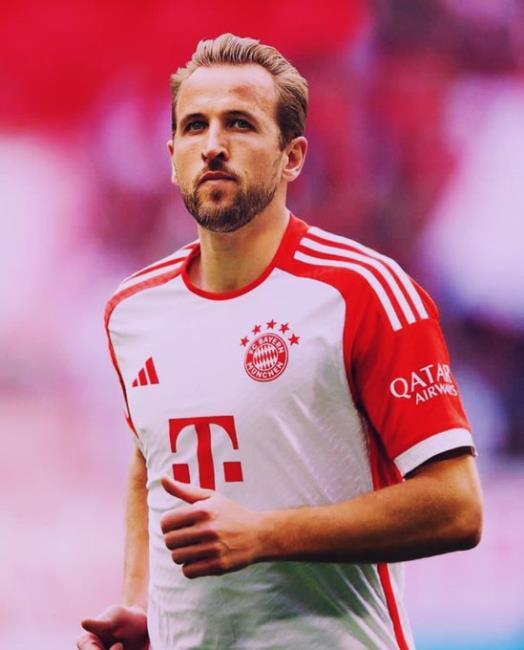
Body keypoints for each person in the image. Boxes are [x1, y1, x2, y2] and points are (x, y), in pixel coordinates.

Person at [78, 33, 483, 650]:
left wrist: (265, 534)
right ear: (171, 154)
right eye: (195, 126)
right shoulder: (131, 310)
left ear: (292, 157)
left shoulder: (364, 290)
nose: (213, 145)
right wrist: (142, 607)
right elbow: (149, 458)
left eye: (239, 124)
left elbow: (457, 507)